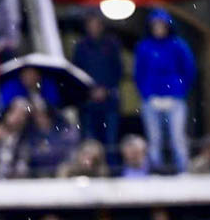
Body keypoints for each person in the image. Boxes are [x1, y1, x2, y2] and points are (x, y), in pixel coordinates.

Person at [133, 9, 196, 173]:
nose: (158, 29)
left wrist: (180, 89)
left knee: (178, 138)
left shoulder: (178, 45)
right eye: (155, 25)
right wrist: (146, 92)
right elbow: (139, 72)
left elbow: (189, 69)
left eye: (161, 25)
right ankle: (155, 170)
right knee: (154, 139)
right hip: (152, 98)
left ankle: (183, 170)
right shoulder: (144, 47)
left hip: (174, 98)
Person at [72, 11, 123, 148]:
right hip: (88, 103)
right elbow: (76, 72)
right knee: (90, 142)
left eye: (96, 24)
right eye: (91, 24)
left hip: (109, 101)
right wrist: (90, 91)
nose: (94, 27)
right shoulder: (81, 47)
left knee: (110, 142)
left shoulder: (112, 45)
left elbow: (118, 70)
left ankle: (111, 168)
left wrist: (105, 89)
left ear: (102, 26)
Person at [24, 102, 79, 178]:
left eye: (42, 116)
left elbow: (63, 152)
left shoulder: (60, 130)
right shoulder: (31, 133)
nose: (39, 119)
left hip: (58, 169)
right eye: (37, 116)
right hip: (36, 172)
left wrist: (46, 151)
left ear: (48, 116)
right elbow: (31, 154)